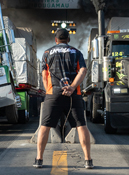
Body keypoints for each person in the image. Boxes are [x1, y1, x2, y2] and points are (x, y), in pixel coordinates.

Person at [34, 28, 93, 169]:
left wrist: (49, 91)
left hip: (53, 93)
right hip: (73, 94)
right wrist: (72, 87)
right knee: (81, 125)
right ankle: (88, 160)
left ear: (56, 40)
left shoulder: (47, 53)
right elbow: (83, 71)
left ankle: (39, 159)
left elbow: (44, 75)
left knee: (44, 126)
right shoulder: (77, 52)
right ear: (68, 39)